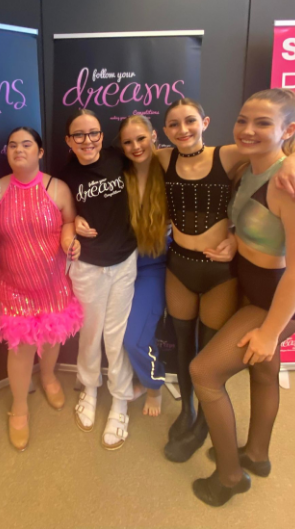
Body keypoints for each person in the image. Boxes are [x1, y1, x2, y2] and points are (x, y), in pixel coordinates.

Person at [155, 97, 295, 463]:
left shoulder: (233, 156)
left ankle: (209, 431)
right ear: (164, 130)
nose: (183, 129)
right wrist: (233, 238)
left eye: (190, 121)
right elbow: (244, 216)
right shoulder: (171, 159)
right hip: (188, 266)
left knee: (207, 360)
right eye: (174, 124)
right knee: (201, 351)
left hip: (230, 279)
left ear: (205, 122)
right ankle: (206, 423)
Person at [0, 127, 82, 451]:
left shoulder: (58, 188)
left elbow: (70, 222)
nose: (19, 150)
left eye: (26, 144)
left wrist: (70, 237)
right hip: (14, 285)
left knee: (51, 337)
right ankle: (19, 407)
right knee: (20, 349)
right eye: (13, 145)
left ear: (40, 152)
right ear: (6, 152)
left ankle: (48, 377)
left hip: (52, 282)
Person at [59, 109, 138, 450]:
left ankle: (120, 399)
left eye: (93, 133)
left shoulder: (121, 159)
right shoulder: (64, 175)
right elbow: (62, 216)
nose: (87, 140)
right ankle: (89, 388)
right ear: (68, 140)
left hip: (124, 260)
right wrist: (73, 222)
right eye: (79, 134)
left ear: (102, 136)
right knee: (90, 332)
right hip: (88, 265)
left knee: (116, 335)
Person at [119, 115, 170, 416]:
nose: (136, 146)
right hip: (119, 264)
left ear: (153, 136)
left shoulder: (170, 167)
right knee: (110, 334)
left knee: (134, 337)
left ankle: (153, 386)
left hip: (154, 265)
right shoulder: (118, 174)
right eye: (128, 142)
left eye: (141, 138)